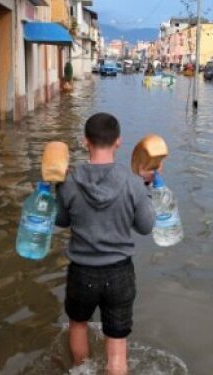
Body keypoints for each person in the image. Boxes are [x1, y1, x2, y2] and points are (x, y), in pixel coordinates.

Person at [55, 113, 156, 375]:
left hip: (81, 272)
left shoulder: (69, 183)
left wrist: (55, 189)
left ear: (85, 141)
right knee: (117, 347)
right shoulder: (133, 184)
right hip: (119, 273)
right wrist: (145, 187)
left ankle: (81, 370)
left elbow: (61, 221)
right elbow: (146, 227)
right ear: (119, 142)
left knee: (78, 325)